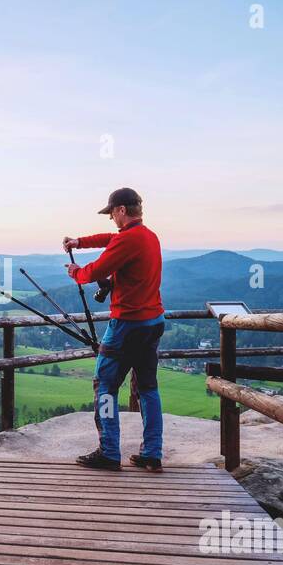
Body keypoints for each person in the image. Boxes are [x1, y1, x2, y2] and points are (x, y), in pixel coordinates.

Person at [63, 187, 165, 471]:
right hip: (153, 322)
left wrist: (77, 273)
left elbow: (95, 271)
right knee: (147, 388)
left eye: (112, 214)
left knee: (105, 385)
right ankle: (152, 453)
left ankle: (109, 452)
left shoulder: (128, 239)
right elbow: (112, 240)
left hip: (127, 326)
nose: (111, 219)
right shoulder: (148, 236)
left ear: (121, 210)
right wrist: (79, 242)